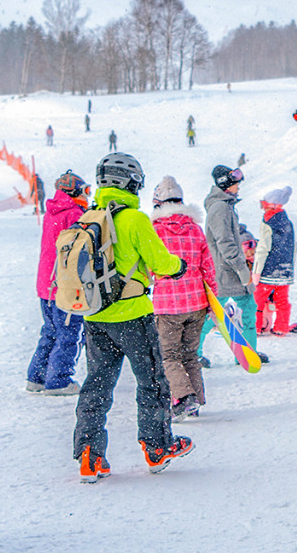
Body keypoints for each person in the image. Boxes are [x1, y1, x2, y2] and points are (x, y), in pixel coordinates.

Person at [73, 153, 193, 480]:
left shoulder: (89, 217)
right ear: (131, 183)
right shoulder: (135, 219)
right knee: (151, 381)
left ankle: (89, 453)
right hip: (133, 316)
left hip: (96, 316)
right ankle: (158, 447)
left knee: (97, 384)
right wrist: (178, 267)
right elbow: (161, 262)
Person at [149, 176, 217, 417]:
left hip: (167, 305)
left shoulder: (154, 231)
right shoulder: (195, 229)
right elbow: (208, 267)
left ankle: (184, 399)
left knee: (168, 356)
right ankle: (196, 400)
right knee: (189, 354)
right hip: (197, 302)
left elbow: (149, 269)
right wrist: (213, 302)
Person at [27, 172, 89, 394]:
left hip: (46, 283)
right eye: (85, 192)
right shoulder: (74, 214)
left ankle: (37, 376)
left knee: (50, 330)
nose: (87, 197)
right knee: (68, 332)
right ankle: (59, 379)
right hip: (64, 283)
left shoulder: (52, 211)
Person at [204, 163, 261, 361]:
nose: (239, 186)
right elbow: (225, 243)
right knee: (214, 315)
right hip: (226, 273)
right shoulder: (220, 208)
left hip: (229, 272)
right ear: (225, 183)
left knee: (245, 311)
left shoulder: (225, 206)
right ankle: (193, 354)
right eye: (236, 182)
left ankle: (248, 353)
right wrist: (242, 270)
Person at [254, 185, 297, 335]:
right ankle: (281, 327)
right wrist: (289, 266)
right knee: (282, 300)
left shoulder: (268, 222)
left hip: (269, 269)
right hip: (285, 269)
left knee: (258, 299)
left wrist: (256, 271)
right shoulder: (287, 222)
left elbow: (263, 248)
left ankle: (256, 327)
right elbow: (294, 247)